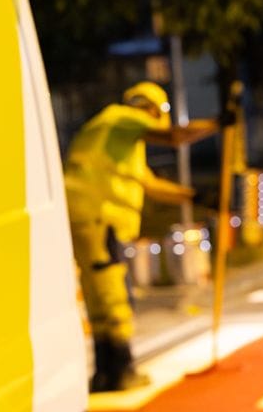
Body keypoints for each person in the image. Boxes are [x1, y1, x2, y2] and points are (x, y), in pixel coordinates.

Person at [64, 81, 216, 392]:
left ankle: (106, 372)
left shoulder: (119, 139)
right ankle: (121, 371)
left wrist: (196, 196)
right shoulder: (120, 117)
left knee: (100, 298)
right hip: (99, 216)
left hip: (91, 218)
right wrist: (219, 123)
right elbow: (175, 136)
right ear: (152, 109)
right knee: (112, 296)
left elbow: (152, 185)